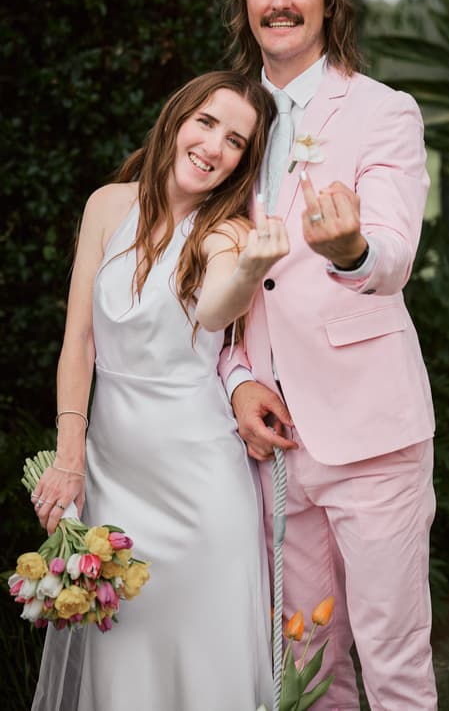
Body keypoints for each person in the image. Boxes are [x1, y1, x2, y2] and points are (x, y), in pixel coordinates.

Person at [218, 0, 438, 711]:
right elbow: (210, 283)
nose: (280, 1)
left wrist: (348, 249)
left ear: (327, 0)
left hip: (372, 435)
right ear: (245, 1)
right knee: (306, 664)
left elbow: (392, 253)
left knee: (393, 656)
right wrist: (239, 378)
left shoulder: (382, 111)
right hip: (274, 446)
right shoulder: (227, 121)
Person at [29, 71, 289, 711]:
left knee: (206, 665)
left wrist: (252, 271)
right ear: (176, 120)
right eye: (206, 122)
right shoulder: (106, 206)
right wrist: (69, 461)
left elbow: (213, 311)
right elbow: (80, 342)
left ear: (242, 163)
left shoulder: (225, 232)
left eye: (235, 141)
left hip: (202, 489)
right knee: (126, 664)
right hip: (116, 482)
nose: (213, 146)